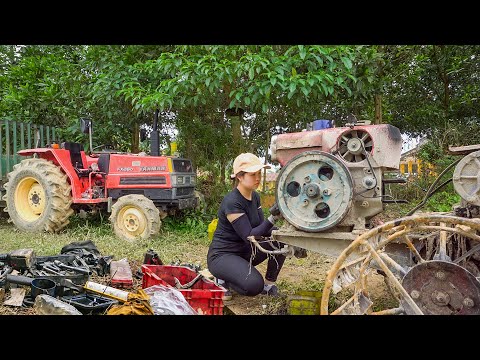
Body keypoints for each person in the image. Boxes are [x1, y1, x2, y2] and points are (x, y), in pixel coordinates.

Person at [207, 152, 286, 300]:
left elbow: (263, 228)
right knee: (254, 285)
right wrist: (273, 217)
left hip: (246, 252)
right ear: (239, 176)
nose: (257, 178)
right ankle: (223, 278)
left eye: (259, 173)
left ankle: (269, 285)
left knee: (280, 237)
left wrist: (283, 234)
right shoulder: (232, 202)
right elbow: (250, 236)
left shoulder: (255, 196)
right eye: (252, 174)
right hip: (223, 256)